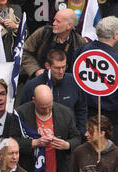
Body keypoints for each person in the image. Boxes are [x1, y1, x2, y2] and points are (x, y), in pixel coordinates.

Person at [10, 84, 81, 172]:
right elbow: (11, 140)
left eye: (50, 106)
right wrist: (34, 143)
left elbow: (77, 138)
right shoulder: (21, 114)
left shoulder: (65, 113)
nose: (47, 110)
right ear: (34, 100)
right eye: (43, 107)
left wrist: (66, 145)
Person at [20, 48, 87, 136]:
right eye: (57, 68)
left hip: (69, 139)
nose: (61, 71)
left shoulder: (73, 82)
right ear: (47, 66)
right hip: (41, 140)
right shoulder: (32, 86)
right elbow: (22, 113)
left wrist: (80, 134)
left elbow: (82, 108)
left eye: (64, 67)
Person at [74, 16, 118, 144]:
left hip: (82, 113)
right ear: (115, 36)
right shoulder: (115, 59)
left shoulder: (81, 50)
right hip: (108, 116)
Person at [22, 8, 87, 79]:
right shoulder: (43, 33)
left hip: (66, 83)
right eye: (54, 20)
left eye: (58, 22)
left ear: (69, 26)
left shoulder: (79, 42)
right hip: (40, 80)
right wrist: (36, 70)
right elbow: (24, 51)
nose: (53, 23)